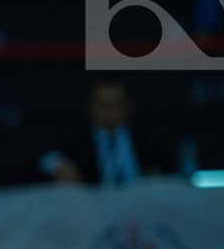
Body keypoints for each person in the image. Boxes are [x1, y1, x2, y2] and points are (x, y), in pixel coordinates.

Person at [40, 76, 173, 184]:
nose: (108, 111)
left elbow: (172, 171)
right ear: (90, 107)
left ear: (129, 106)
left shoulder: (149, 140)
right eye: (102, 104)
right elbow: (43, 155)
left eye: (115, 104)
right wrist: (56, 164)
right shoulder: (76, 141)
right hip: (94, 209)